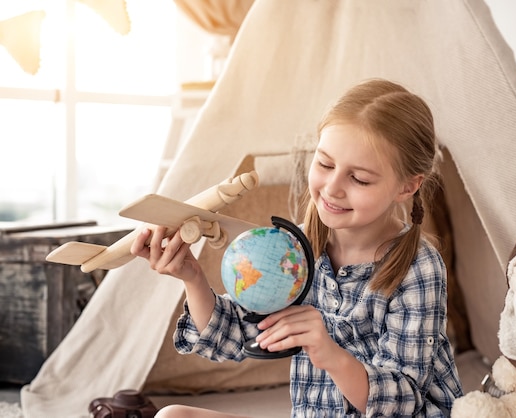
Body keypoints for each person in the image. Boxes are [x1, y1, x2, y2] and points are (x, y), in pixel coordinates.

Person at [131, 78, 463, 417]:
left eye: (359, 179)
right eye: (325, 164)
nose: (332, 188)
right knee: (172, 416)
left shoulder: (419, 267)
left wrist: (330, 353)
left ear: (407, 186)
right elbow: (231, 334)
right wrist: (192, 277)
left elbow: (403, 402)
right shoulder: (292, 250)